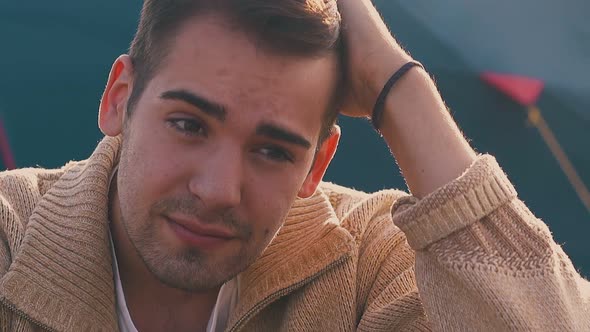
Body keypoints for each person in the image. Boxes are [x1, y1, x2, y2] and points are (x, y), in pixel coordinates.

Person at [0, 0, 588, 331]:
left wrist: (398, 87)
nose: (217, 190)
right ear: (119, 99)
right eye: (188, 124)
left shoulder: (368, 266)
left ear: (318, 163)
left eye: (273, 150)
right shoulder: (10, 236)